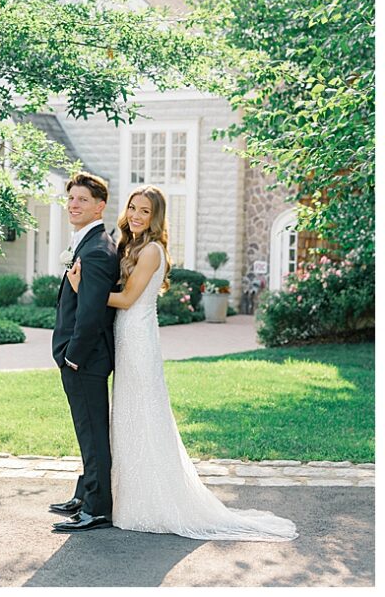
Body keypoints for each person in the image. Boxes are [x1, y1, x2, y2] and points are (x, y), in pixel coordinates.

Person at [66, 185, 297, 541]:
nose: (136, 215)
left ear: (156, 217)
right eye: (133, 208)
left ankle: (155, 499)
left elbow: (126, 299)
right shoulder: (132, 245)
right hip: (126, 337)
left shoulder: (152, 251)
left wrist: (83, 289)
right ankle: (128, 495)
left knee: (143, 413)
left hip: (138, 339)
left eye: (145, 211)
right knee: (127, 417)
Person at [49, 172, 120, 533]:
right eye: (71, 198)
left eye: (82, 200)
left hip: (85, 360)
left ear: (99, 206)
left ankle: (97, 508)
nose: (73, 205)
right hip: (82, 358)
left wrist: (72, 356)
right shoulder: (88, 242)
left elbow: (92, 313)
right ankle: (85, 492)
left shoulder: (96, 250)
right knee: (87, 431)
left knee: (93, 433)